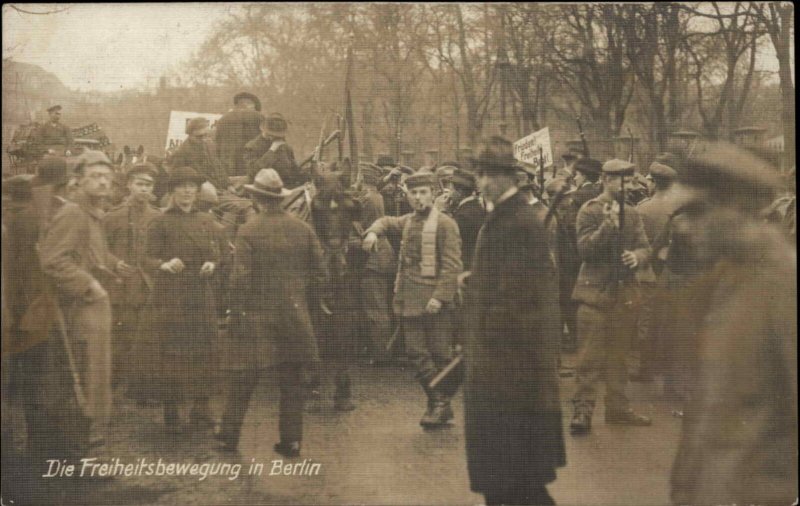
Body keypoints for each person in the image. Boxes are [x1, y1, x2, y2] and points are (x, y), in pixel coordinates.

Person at [667, 143, 796, 506]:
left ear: (738, 206)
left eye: (699, 212)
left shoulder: (782, 283)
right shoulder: (728, 278)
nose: (687, 227)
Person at [463, 136, 565, 506]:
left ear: (508, 178)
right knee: (507, 483)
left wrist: (486, 309)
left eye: (487, 174)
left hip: (508, 373)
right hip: (501, 369)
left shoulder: (518, 222)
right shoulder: (507, 218)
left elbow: (523, 301)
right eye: (479, 174)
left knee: (515, 484)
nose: (481, 182)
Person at [217, 169, 326, 458]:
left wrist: (234, 314)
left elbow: (240, 279)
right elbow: (321, 273)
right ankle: (291, 441)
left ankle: (228, 438)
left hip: (255, 317)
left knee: (244, 378)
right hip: (294, 316)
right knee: (291, 381)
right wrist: (302, 301)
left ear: (256, 198)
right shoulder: (302, 229)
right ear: (280, 198)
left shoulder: (248, 230)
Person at [39, 151, 137, 442]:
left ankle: (89, 439)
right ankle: (81, 445)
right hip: (79, 308)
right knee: (83, 376)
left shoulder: (94, 214)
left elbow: (87, 252)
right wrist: (88, 285)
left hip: (93, 307)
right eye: (95, 176)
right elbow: (53, 259)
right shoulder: (74, 213)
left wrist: (110, 264)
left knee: (95, 374)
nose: (103, 182)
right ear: (78, 181)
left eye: (107, 177)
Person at [363, 172, 463, 427]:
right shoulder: (408, 221)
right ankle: (439, 403)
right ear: (407, 196)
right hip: (409, 300)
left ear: (433, 194)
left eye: (423, 193)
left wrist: (439, 297)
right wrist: (373, 232)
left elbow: (452, 265)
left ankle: (438, 406)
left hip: (435, 302)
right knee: (416, 354)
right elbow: (386, 221)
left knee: (441, 356)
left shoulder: (445, 224)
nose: (418, 198)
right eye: (413, 193)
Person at [569, 159, 654, 435]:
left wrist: (637, 257)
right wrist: (607, 226)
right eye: (621, 181)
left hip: (624, 294)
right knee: (588, 358)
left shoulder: (632, 213)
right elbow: (585, 252)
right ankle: (583, 410)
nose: (627, 186)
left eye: (629, 181)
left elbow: (645, 247)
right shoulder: (589, 210)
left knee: (620, 356)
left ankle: (618, 408)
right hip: (594, 293)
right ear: (606, 180)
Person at [143, 166, 221, 433]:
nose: (188, 191)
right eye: (182, 186)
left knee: (204, 351)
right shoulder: (161, 222)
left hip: (200, 294)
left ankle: (201, 408)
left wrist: (212, 263)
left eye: (192, 186)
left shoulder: (206, 221)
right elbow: (146, 258)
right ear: (173, 190)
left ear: (197, 192)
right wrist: (164, 264)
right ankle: (172, 412)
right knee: (173, 354)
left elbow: (220, 254)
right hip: (172, 297)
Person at [103, 163, 161, 394]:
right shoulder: (113, 217)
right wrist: (114, 263)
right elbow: (97, 248)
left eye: (149, 185)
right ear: (129, 185)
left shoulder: (158, 217)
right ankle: (114, 384)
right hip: (120, 288)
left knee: (146, 337)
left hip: (148, 287)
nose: (144, 190)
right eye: (140, 184)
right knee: (119, 337)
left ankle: (140, 386)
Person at [631, 159, 679, 382]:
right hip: (675, 272)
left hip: (649, 270)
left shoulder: (643, 209)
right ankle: (668, 368)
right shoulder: (680, 207)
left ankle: (647, 369)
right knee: (670, 320)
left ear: (654, 183)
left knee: (646, 319)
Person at [552, 158, 603, 352]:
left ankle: (576, 341)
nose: (576, 178)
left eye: (578, 175)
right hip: (595, 255)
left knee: (570, 299)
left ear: (583, 176)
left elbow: (571, 227)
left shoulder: (577, 198)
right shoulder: (601, 195)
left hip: (573, 256)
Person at [358, 164, 396, 365]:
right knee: (380, 306)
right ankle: (381, 351)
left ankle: (381, 355)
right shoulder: (376, 196)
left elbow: (361, 225)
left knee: (375, 308)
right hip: (382, 253)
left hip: (374, 256)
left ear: (362, 178)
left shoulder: (367, 199)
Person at [244, 113, 305, 188]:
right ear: (263, 130)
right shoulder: (252, 147)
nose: (274, 138)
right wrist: (271, 151)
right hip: (260, 191)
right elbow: (253, 172)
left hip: (284, 190)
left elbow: (294, 171)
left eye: (278, 135)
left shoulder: (285, 147)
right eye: (271, 134)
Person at [168, 117, 230, 190]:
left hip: (218, 187)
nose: (204, 139)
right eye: (199, 137)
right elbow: (175, 179)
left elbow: (218, 167)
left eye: (206, 135)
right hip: (201, 191)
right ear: (190, 135)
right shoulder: (182, 153)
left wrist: (228, 184)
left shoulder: (209, 144)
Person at [444, 167, 485, 271]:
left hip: (465, 267)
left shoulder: (464, 215)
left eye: (452, 189)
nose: (449, 193)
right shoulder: (474, 207)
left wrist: (443, 211)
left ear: (460, 192)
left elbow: (448, 238)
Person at [215, 92, 265, 177]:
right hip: (251, 168)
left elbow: (217, 144)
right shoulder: (259, 117)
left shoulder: (223, 119)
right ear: (252, 104)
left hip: (227, 168)